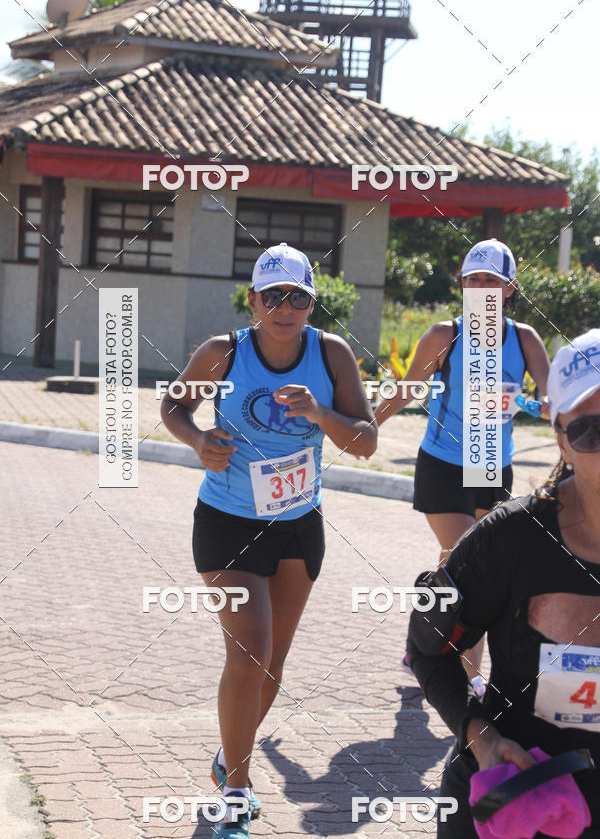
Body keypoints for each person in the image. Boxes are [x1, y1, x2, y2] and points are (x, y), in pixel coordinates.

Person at [160, 243, 376, 838]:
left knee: (273, 662)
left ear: (312, 303)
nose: (285, 307)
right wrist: (198, 440)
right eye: (273, 296)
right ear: (252, 300)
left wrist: (320, 415)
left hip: (299, 526)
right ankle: (237, 789)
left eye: (298, 297)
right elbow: (172, 407)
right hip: (227, 522)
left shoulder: (330, 355)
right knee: (249, 650)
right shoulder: (222, 353)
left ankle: (231, 755)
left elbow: (365, 442)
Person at [406, 327, 600, 836]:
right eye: (590, 432)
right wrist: (482, 738)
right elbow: (428, 648)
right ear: (561, 437)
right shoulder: (510, 538)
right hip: (513, 802)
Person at [375, 238, 550, 691]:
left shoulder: (525, 339)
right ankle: (469, 683)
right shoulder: (444, 334)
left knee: (463, 565)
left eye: (490, 280)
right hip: (443, 461)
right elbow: (409, 389)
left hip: (491, 462)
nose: (481, 288)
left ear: (510, 287)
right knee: (470, 562)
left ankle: (423, 641)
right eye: (473, 279)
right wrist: (363, 427)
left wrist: (524, 403)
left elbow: (552, 404)